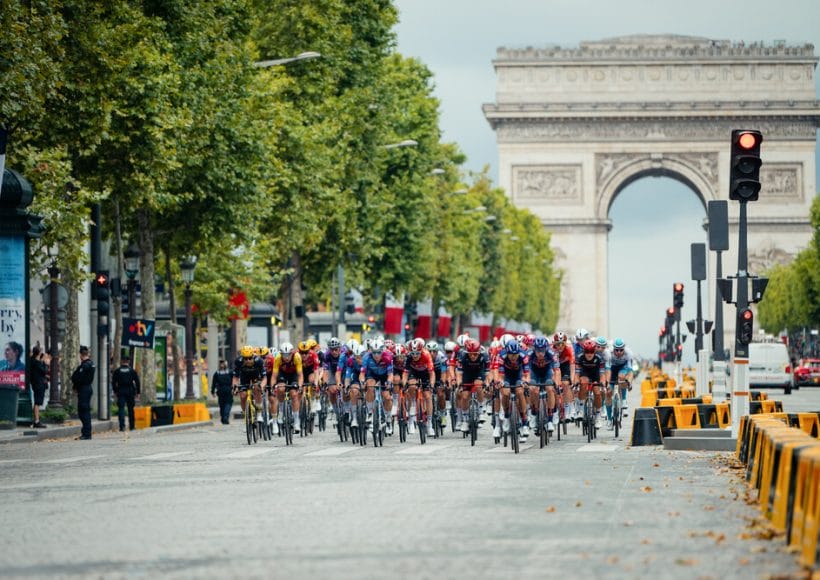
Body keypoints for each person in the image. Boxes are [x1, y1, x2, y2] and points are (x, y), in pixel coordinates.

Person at [71, 345, 95, 440]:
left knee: (83, 411)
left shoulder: (85, 365)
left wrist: (75, 386)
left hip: (84, 389)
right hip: (87, 388)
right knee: (84, 411)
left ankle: (86, 433)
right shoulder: (91, 364)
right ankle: (86, 432)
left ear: (81, 355)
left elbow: (77, 378)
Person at [111, 356, 140, 431]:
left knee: (121, 408)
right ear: (128, 361)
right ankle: (132, 426)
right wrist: (138, 392)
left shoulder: (117, 371)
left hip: (121, 391)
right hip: (130, 391)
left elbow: (113, 382)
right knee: (131, 409)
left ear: (121, 361)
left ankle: (122, 426)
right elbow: (137, 381)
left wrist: (115, 391)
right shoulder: (132, 371)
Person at [28, 344, 49, 428]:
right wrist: (44, 362)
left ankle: (37, 420)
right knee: (37, 402)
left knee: (37, 402)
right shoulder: (37, 362)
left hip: (36, 384)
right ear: (39, 353)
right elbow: (44, 371)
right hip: (38, 384)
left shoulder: (32, 361)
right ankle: (37, 421)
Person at [210, 359, 234, 425]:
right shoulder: (230, 372)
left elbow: (213, 383)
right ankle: (225, 417)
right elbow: (214, 383)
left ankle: (223, 417)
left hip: (221, 391)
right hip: (227, 390)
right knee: (227, 404)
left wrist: (213, 391)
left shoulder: (217, 373)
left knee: (222, 405)